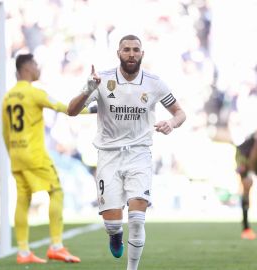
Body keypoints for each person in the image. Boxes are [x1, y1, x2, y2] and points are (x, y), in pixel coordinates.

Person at [67, 34, 186, 270]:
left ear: (142, 54)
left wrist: (171, 124)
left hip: (139, 154)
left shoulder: (154, 82)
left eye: (135, 50)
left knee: (137, 219)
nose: (131, 54)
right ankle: (114, 234)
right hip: (108, 156)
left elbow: (180, 113)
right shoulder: (101, 79)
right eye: (126, 50)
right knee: (112, 224)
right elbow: (71, 110)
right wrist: (88, 88)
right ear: (118, 53)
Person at [2, 53, 87, 264]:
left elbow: (5, 132)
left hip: (16, 155)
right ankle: (56, 245)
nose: (38, 68)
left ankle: (23, 251)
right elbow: (66, 108)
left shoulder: (8, 97)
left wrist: (12, 154)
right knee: (56, 192)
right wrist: (95, 110)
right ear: (27, 67)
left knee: (23, 199)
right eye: (35, 64)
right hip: (35, 155)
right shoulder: (34, 93)